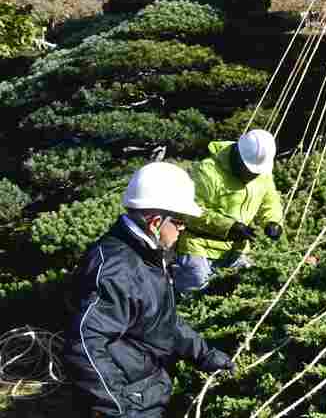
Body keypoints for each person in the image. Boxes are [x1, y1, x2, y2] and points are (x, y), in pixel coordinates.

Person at [63, 162, 233, 417]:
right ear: (155, 222)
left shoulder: (147, 256)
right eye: (179, 221)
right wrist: (118, 407)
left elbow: (161, 320)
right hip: (132, 396)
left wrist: (205, 355)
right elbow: (84, 344)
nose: (183, 228)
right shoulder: (117, 270)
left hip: (149, 384)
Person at [174, 129, 284, 294]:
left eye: (256, 172)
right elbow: (190, 211)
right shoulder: (208, 171)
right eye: (249, 170)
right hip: (199, 248)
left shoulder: (263, 172)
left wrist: (273, 221)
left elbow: (270, 199)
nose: (252, 176)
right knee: (194, 295)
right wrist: (228, 227)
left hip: (237, 249)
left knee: (247, 291)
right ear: (238, 157)